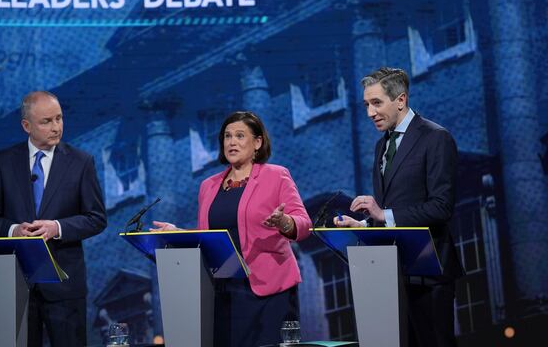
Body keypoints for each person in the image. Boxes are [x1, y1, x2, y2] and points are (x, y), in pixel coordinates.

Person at [152, 111, 312, 347]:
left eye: (239, 135)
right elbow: (208, 237)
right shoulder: (209, 185)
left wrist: (284, 222)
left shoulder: (276, 176)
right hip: (224, 290)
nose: (232, 142)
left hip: (269, 289)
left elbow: (304, 224)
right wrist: (177, 233)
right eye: (227, 136)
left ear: (257, 142)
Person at [335, 67, 463, 347]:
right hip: (392, 274)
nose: (370, 112)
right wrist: (364, 225)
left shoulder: (435, 138)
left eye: (377, 103)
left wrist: (383, 214)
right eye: (366, 104)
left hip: (429, 274)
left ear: (401, 100)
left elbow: (441, 208)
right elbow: (391, 210)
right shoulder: (382, 146)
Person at [0, 91, 107, 347]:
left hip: (64, 286)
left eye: (59, 118)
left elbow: (96, 218)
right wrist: (14, 230)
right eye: (46, 121)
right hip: (16, 285)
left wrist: (57, 227)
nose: (56, 127)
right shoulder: (4, 162)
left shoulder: (81, 162)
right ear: (26, 126)